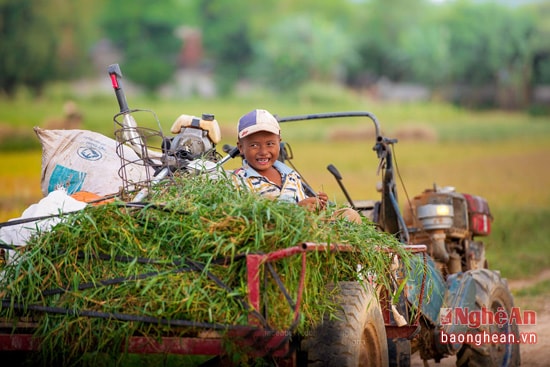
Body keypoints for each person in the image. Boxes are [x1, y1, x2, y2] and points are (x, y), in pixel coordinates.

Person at [232, 109, 328, 212]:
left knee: (346, 212)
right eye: (254, 145)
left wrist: (316, 205)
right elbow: (252, 218)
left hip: (300, 228)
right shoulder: (239, 180)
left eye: (270, 144)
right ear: (241, 147)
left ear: (279, 143)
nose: (263, 151)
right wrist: (297, 210)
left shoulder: (291, 176)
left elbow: (304, 206)